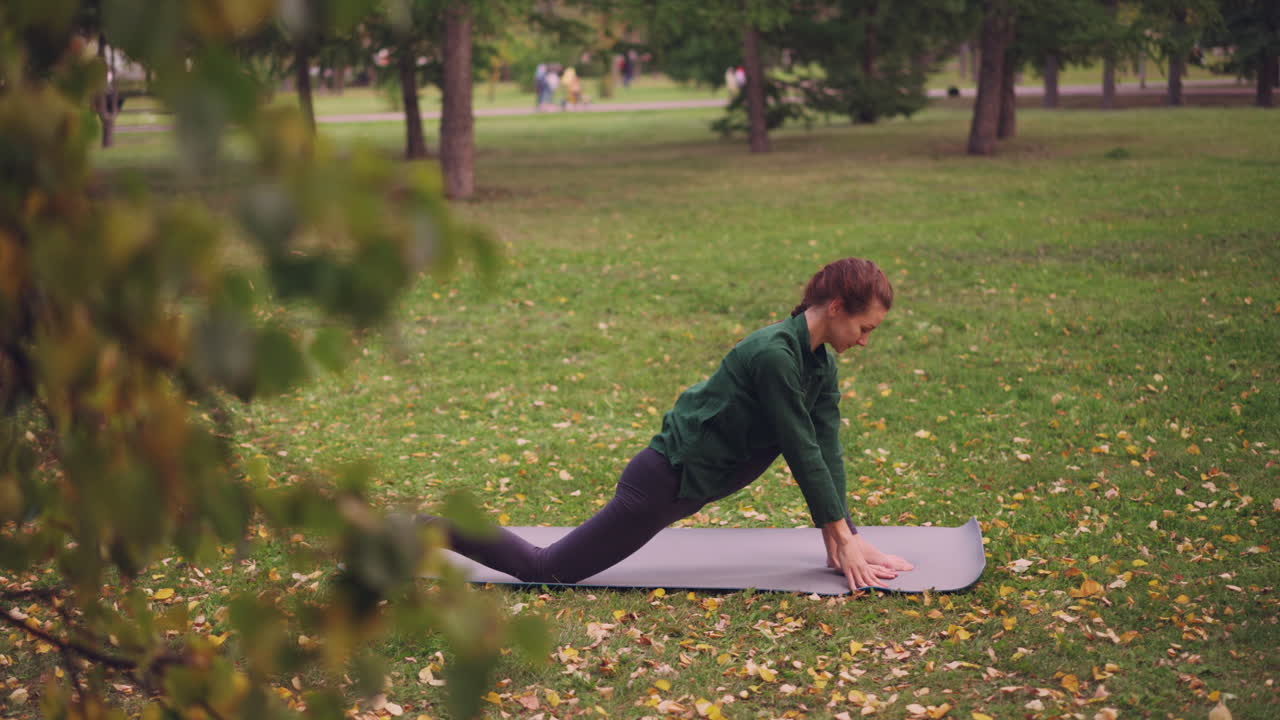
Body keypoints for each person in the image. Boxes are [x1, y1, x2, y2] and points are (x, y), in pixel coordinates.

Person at [427, 258, 914, 593]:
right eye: (865, 328)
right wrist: (842, 539)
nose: (865, 340)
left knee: (550, 567)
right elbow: (799, 447)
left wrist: (843, 535)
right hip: (660, 484)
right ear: (835, 308)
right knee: (548, 569)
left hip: (681, 486)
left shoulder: (818, 362)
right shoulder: (774, 357)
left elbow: (825, 446)